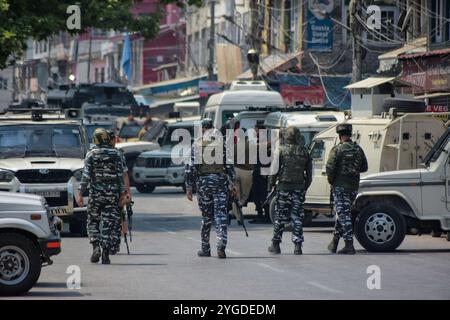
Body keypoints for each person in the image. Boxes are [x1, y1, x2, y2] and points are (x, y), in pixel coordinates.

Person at [185, 118, 237, 259]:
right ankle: (221, 246)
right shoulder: (222, 145)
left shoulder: (197, 144)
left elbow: (190, 168)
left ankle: (205, 248)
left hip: (203, 184)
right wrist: (233, 184)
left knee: (206, 217)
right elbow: (229, 166)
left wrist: (189, 187)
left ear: (203, 129)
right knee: (221, 215)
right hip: (220, 182)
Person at [76, 128, 126, 264]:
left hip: (96, 195)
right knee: (109, 223)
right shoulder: (117, 153)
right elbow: (121, 176)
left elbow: (86, 176)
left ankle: (96, 246)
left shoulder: (91, 154)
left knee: (93, 221)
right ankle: (105, 252)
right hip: (112, 195)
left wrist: (80, 194)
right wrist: (123, 194)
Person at [268, 126, 312, 255]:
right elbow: (309, 174)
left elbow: (274, 171)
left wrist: (272, 185)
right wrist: (304, 188)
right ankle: (297, 246)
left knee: (280, 217)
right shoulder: (304, 152)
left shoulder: (280, 151)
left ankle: (276, 245)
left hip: (283, 188)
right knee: (297, 217)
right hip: (298, 188)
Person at [326, 123, 368, 254]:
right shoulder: (358, 149)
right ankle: (334, 242)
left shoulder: (337, 149)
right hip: (353, 187)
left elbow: (330, 168)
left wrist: (332, 181)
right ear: (350, 134)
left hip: (340, 186)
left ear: (339, 135)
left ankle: (349, 244)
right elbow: (364, 167)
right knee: (342, 213)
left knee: (344, 215)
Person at [106, 129, 132, 255]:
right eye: (113, 138)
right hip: (117, 191)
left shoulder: (93, 153)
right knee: (117, 217)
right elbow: (124, 175)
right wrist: (127, 193)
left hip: (100, 192)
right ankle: (114, 244)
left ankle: (103, 244)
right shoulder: (118, 154)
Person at [232, 127, 254, 225]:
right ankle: (240, 205)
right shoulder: (251, 146)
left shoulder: (234, 147)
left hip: (235, 171)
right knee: (244, 195)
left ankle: (238, 216)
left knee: (236, 195)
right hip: (246, 172)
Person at [250, 121, 271, 223]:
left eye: (256, 130)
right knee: (257, 194)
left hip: (263, 172)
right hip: (258, 171)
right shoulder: (261, 141)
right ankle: (260, 214)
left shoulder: (265, 141)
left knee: (262, 194)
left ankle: (265, 215)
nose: (254, 131)